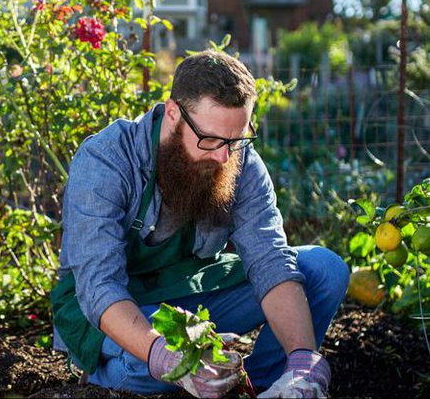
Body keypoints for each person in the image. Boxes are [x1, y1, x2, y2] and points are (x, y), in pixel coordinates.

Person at [50, 50, 349, 398]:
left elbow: (270, 259)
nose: (224, 156)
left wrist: (302, 359)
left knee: (324, 269)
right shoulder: (106, 159)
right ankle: (119, 372)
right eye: (211, 140)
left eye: (236, 140)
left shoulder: (238, 160)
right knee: (151, 369)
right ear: (174, 113)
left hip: (191, 295)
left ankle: (270, 385)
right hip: (116, 308)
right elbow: (99, 285)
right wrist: (163, 354)